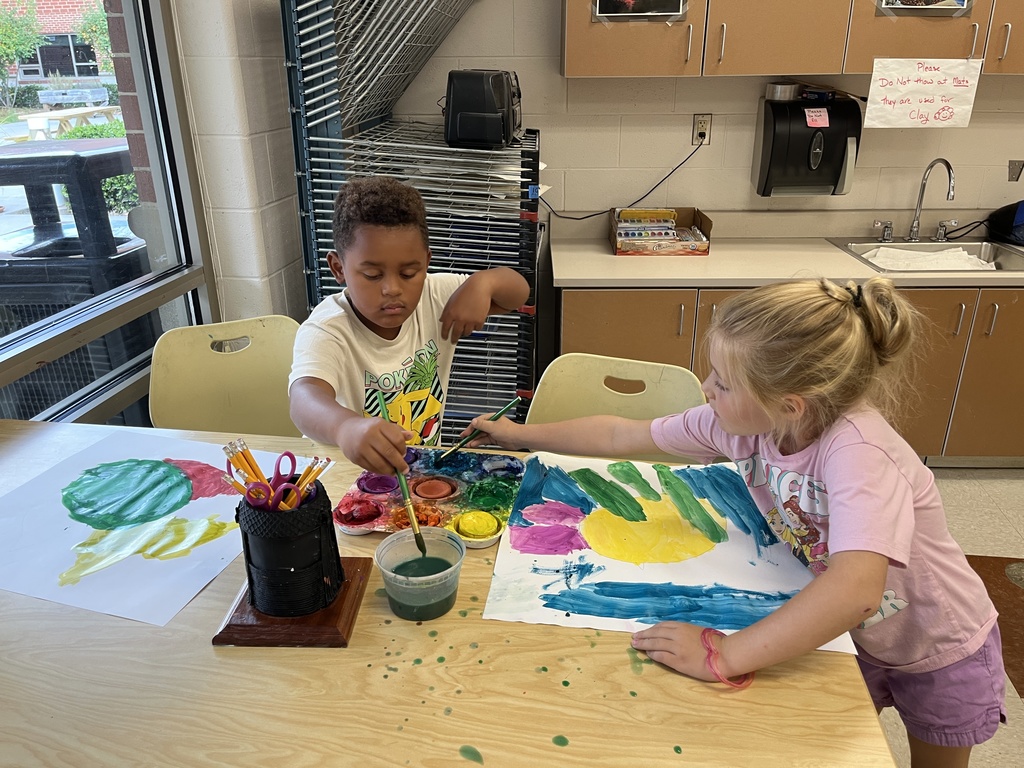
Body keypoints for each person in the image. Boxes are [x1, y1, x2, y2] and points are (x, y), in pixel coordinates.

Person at [459, 277, 1005, 768]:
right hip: (843, 638)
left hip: (934, 643)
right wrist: (520, 435)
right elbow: (619, 436)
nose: (706, 387)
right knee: (838, 737)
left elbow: (857, 591)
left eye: (722, 381)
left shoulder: (859, 453)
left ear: (790, 404)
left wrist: (724, 655)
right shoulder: (745, 426)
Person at [289, 175, 529, 476]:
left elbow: (518, 292)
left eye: (409, 273)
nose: (392, 289)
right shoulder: (327, 329)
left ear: (426, 263)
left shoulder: (436, 294)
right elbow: (303, 398)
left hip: (419, 473)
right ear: (339, 268)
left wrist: (486, 281)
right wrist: (345, 427)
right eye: (373, 275)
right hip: (344, 480)